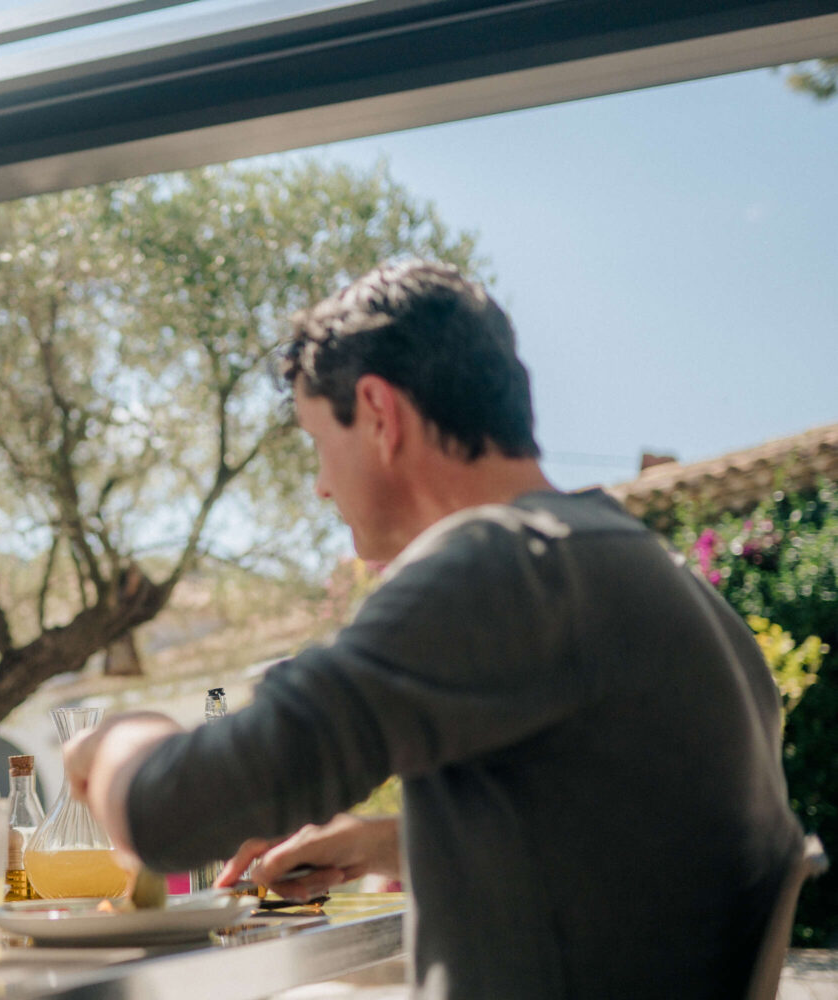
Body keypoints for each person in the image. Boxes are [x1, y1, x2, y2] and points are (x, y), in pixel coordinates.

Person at [64, 260, 802, 999]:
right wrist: (387, 843)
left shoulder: (503, 569)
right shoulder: (653, 580)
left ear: (380, 414)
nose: (321, 483)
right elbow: (625, 855)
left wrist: (117, 739)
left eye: (318, 442)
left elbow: (168, 816)